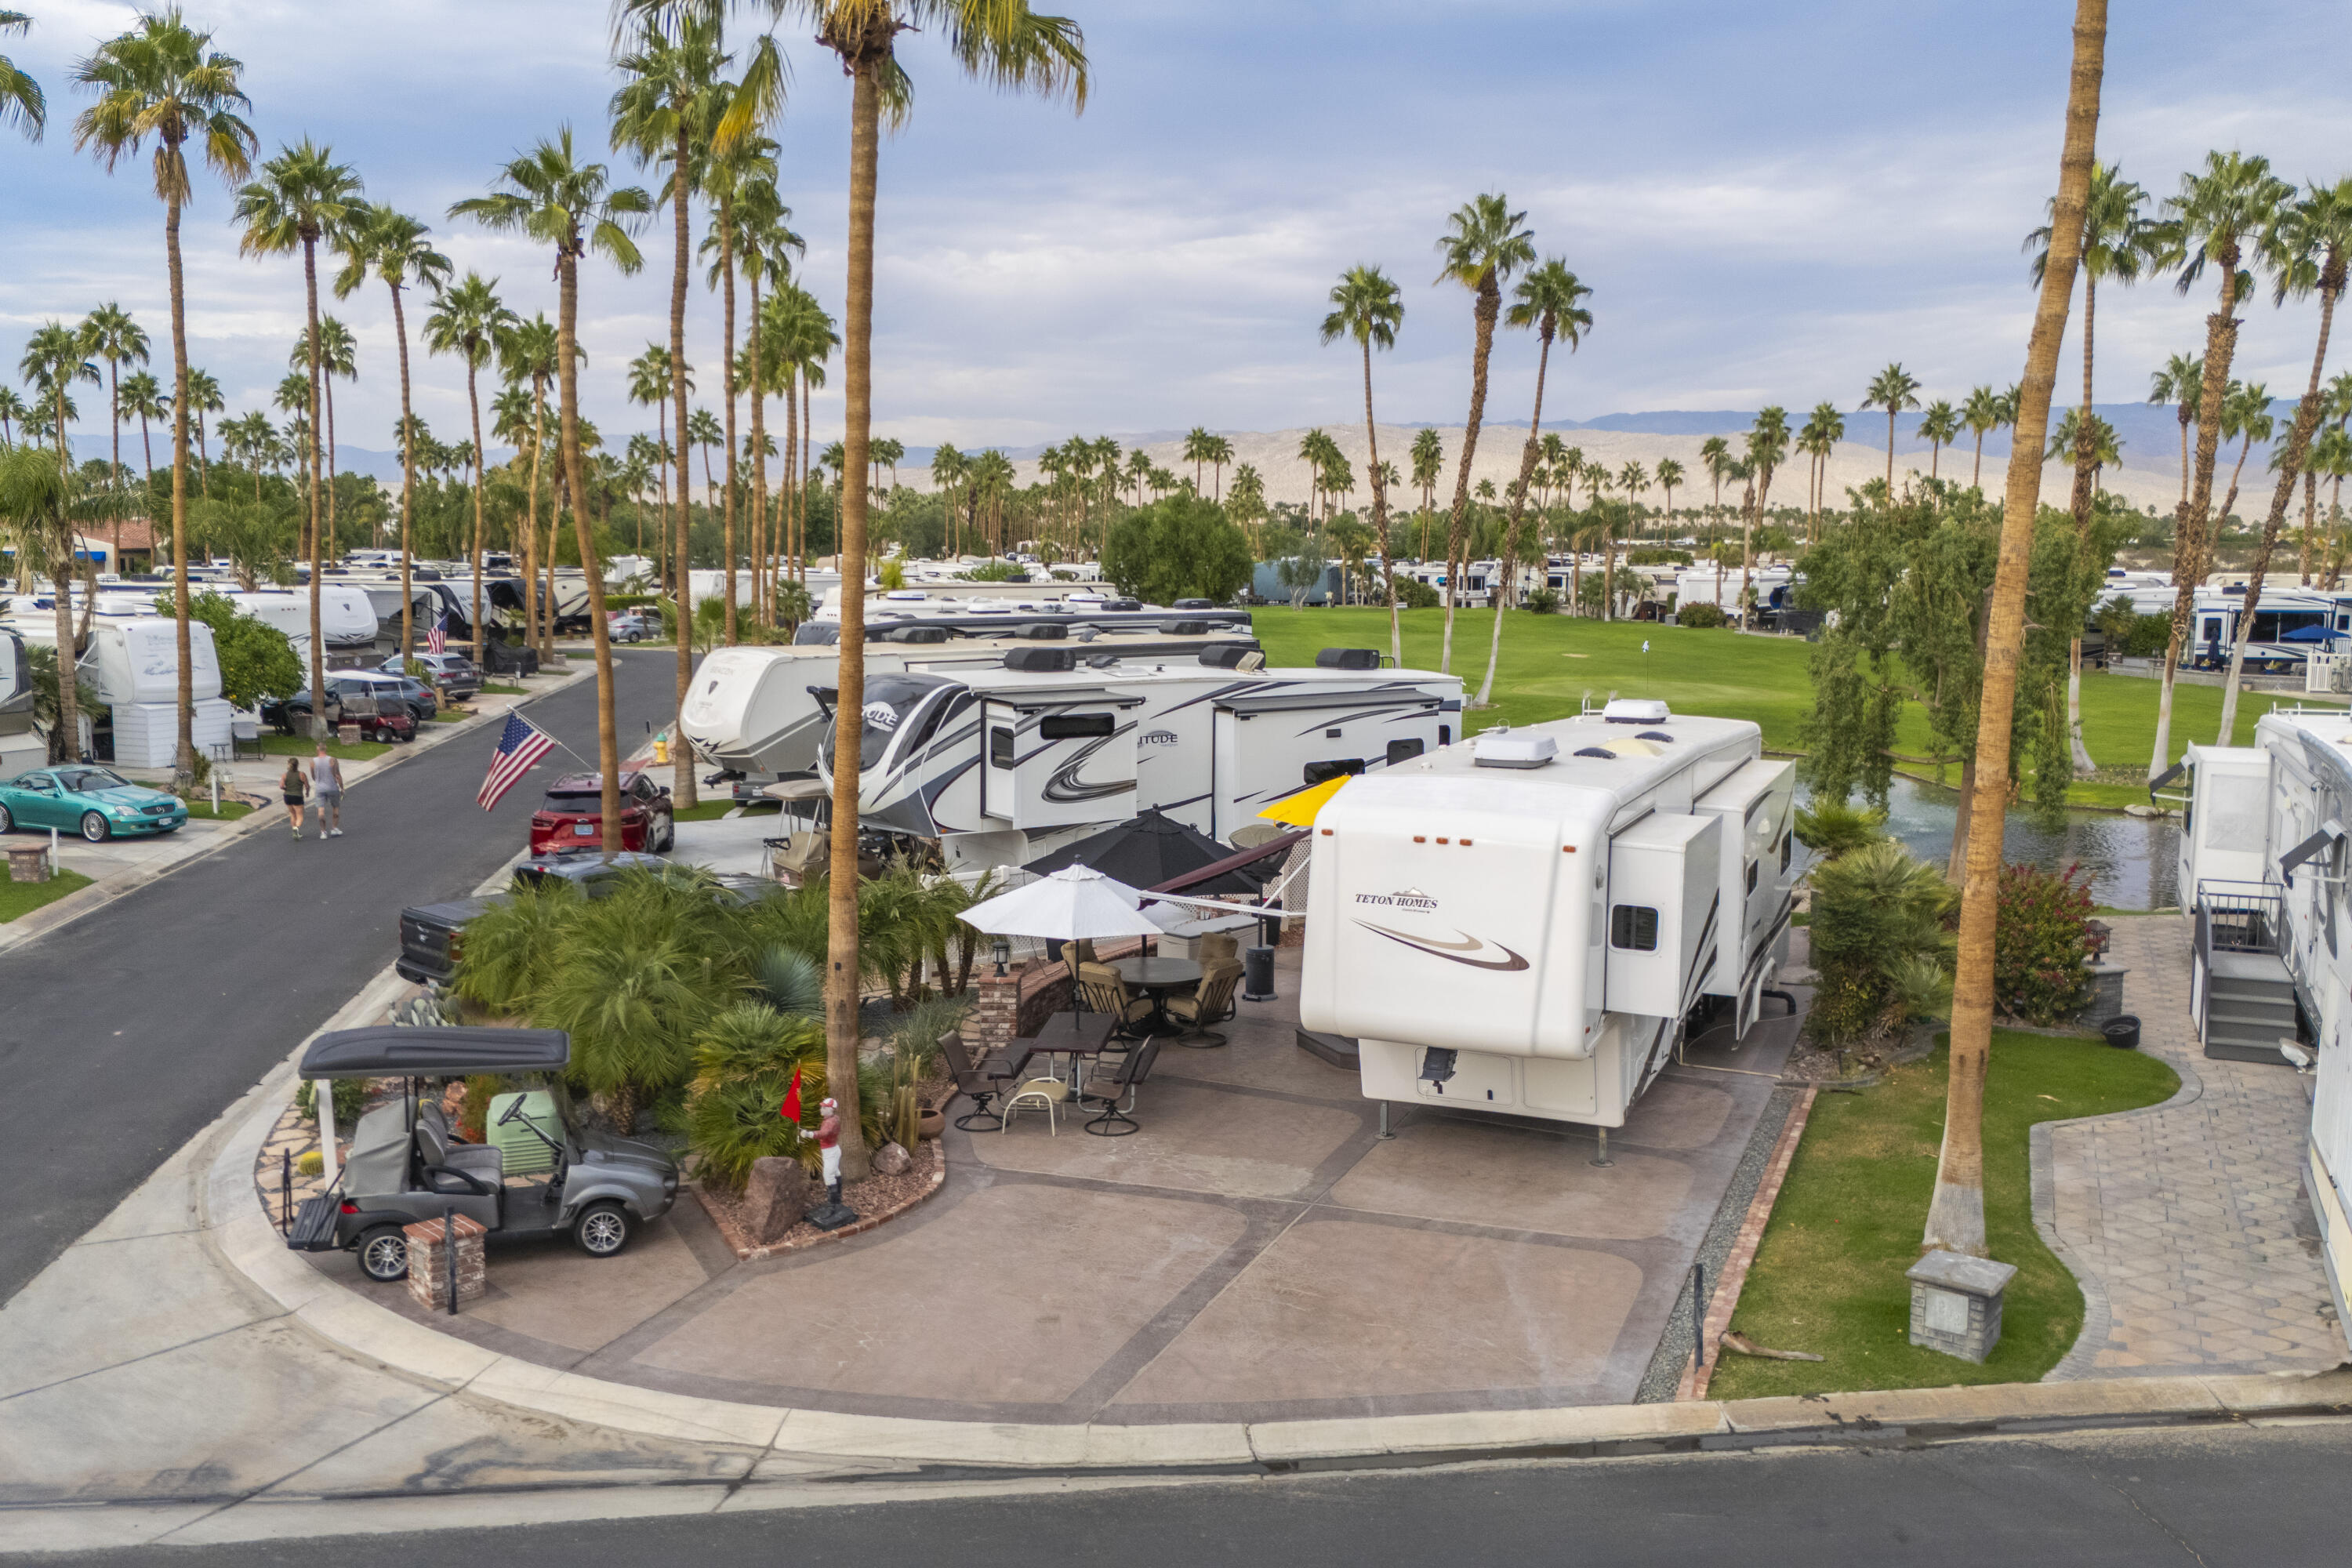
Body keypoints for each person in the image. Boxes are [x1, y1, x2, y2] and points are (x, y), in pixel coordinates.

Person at [310, 744, 345, 838]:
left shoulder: (313, 761)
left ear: (317, 749)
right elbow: (337, 775)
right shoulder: (332, 760)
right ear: (326, 749)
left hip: (319, 789)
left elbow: (313, 776)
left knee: (321, 811)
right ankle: (334, 828)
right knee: (336, 809)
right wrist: (342, 788)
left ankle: (323, 832)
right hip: (332, 788)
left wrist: (319, 782)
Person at [280, 757, 308, 840]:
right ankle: (296, 829)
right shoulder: (301, 774)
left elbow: (281, 786)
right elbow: (307, 785)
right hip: (297, 796)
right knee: (300, 816)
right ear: (297, 765)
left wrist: (286, 789)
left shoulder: (285, 775)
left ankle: (294, 831)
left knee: (292, 814)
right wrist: (307, 792)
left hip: (287, 796)